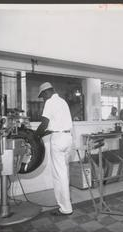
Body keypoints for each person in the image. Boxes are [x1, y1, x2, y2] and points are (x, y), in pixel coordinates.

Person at [35, 82, 73, 215]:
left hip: (58, 140)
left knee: (58, 174)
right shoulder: (62, 102)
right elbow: (54, 126)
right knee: (65, 171)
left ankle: (65, 208)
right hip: (68, 138)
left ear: (46, 92)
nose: (43, 99)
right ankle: (67, 199)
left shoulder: (50, 102)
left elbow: (44, 124)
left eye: (42, 96)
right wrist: (42, 133)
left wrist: (34, 136)